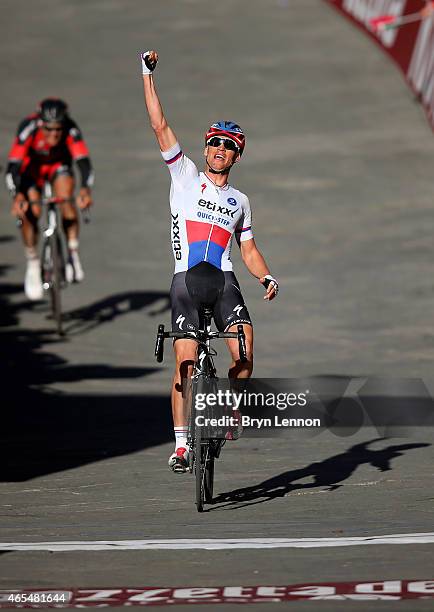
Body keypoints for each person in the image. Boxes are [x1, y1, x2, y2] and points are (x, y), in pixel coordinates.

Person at [140, 50, 279, 473]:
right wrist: (147, 74)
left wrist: (266, 275)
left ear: (237, 156)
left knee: (245, 348)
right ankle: (182, 445)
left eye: (228, 146)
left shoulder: (241, 202)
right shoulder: (183, 176)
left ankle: (230, 410)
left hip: (224, 281)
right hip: (186, 281)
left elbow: (249, 249)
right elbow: (159, 125)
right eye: (214, 142)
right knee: (184, 362)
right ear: (205, 147)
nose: (219, 149)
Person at [5, 98, 94, 300]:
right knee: (31, 212)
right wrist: (17, 194)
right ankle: (33, 262)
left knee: (66, 199)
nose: (53, 134)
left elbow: (84, 163)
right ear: (40, 123)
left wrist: (86, 190)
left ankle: (72, 253)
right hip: (32, 172)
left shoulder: (71, 129)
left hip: (58, 168)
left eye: (58, 130)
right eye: (48, 129)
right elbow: (12, 168)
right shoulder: (28, 128)